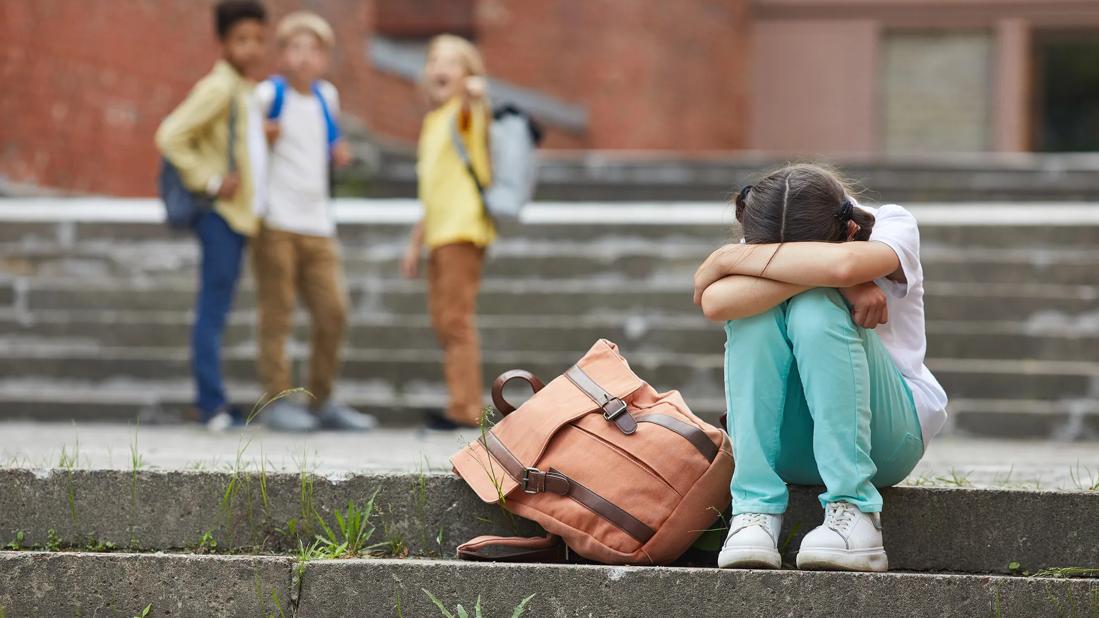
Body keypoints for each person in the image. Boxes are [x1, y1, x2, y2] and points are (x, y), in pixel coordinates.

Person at [693, 163, 948, 572]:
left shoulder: (891, 225)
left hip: (887, 438)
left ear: (848, 233)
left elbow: (844, 267)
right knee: (751, 316)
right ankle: (753, 512)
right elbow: (716, 303)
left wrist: (729, 259)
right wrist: (834, 277)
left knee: (815, 306)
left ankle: (856, 511)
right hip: (793, 447)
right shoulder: (770, 230)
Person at [249, 11, 375, 432]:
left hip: (318, 224)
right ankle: (278, 399)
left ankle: (322, 400)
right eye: (295, 47)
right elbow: (247, 152)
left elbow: (327, 141)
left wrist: (339, 152)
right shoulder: (267, 95)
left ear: (325, 58)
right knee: (277, 313)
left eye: (314, 49)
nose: (304, 57)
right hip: (276, 223)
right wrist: (261, 140)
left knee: (333, 312)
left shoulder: (327, 96)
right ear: (281, 54)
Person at [155, 0, 268, 431]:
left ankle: (214, 400)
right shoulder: (219, 86)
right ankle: (211, 405)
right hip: (220, 216)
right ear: (222, 42)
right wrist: (211, 180)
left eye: (259, 39)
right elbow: (170, 135)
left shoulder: (242, 87)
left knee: (217, 307)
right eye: (242, 39)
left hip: (239, 218)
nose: (252, 48)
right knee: (213, 309)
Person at [400, 35, 493, 430]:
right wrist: (415, 243)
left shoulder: (462, 114)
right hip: (438, 233)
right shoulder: (432, 121)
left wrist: (475, 92)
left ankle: (465, 408)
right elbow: (432, 190)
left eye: (452, 62)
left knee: (455, 320)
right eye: (434, 59)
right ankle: (460, 400)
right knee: (443, 321)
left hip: (462, 229)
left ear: (467, 74)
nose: (440, 67)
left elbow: (477, 107)